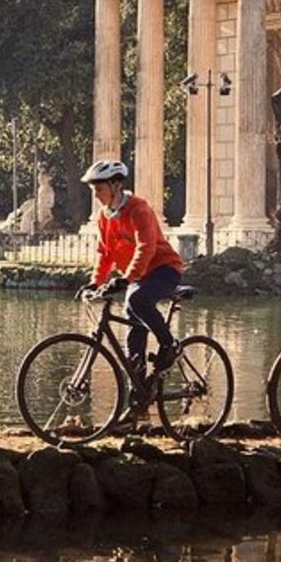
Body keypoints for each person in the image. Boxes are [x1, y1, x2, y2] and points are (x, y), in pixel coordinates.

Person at [80, 159, 185, 411]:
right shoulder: (105, 217)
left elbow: (145, 247)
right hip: (138, 276)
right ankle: (138, 400)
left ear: (116, 185)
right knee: (132, 343)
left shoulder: (138, 209)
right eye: (93, 190)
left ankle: (170, 345)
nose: (96, 195)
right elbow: (105, 253)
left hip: (164, 269)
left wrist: (126, 278)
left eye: (100, 189)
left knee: (135, 300)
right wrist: (96, 283)